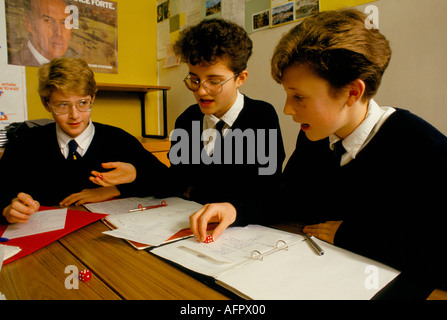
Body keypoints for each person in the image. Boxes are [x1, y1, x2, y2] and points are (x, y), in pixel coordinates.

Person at [192, 10, 447, 290]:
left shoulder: (423, 148)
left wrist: (351, 236)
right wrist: (235, 209)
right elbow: (287, 197)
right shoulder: (316, 137)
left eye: (299, 97)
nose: (288, 109)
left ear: (352, 93)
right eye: (288, 95)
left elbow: (435, 253)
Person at [0, 57, 168, 224]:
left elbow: (166, 181)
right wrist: (6, 208)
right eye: (62, 105)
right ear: (46, 104)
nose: (75, 115)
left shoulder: (119, 140)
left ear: (92, 98)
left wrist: (119, 187)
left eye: (83, 103)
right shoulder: (25, 143)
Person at [171, 18, 285, 242]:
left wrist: (200, 192)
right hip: (189, 228)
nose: (201, 92)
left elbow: (268, 193)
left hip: (244, 232)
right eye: (194, 80)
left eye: (214, 81)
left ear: (240, 78)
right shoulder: (187, 120)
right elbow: (177, 181)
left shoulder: (261, 116)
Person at [9, 0, 72, 67]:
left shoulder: (73, 68)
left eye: (64, 22)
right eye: (48, 20)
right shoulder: (14, 65)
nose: (58, 32)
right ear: (28, 22)